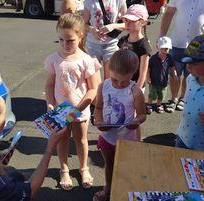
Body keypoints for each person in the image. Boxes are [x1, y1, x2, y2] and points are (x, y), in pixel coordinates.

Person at [44, 13, 100, 190]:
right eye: (61, 40)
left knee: (81, 140)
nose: (65, 44)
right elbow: (49, 85)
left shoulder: (86, 60)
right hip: (61, 111)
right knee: (62, 141)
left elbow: (93, 88)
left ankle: (84, 168)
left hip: (80, 110)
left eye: (70, 40)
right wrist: (50, 104)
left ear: (81, 35)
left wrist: (79, 107)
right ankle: (64, 169)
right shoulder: (54, 59)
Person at [93, 49, 146, 201]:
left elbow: (142, 114)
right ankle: (108, 190)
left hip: (128, 139)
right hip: (107, 137)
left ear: (133, 74)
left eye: (125, 81)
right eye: (115, 80)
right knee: (108, 166)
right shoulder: (103, 86)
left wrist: (136, 122)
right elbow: (98, 108)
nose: (120, 84)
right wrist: (98, 122)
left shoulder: (135, 91)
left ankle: (124, 193)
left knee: (127, 168)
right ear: (109, 69)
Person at [159, 0, 204, 112]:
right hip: (177, 42)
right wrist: (161, 36)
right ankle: (173, 99)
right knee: (174, 73)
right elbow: (169, 13)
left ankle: (184, 98)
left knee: (191, 75)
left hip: (199, 46)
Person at [83, 0, 127, 79]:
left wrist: (113, 26)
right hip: (93, 45)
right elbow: (83, 24)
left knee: (110, 80)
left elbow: (127, 24)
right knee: (93, 79)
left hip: (111, 44)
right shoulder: (89, 1)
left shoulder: (119, 1)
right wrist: (92, 30)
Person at [118, 4, 152, 92]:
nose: (127, 23)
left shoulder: (144, 46)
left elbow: (142, 74)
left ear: (143, 23)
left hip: (135, 86)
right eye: (126, 20)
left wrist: (136, 90)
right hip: (122, 83)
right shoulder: (122, 40)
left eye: (132, 21)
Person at [146, 36, 176, 114]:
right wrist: (148, 77)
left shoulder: (169, 58)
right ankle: (149, 105)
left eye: (166, 49)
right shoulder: (153, 58)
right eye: (162, 48)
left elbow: (172, 66)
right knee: (152, 94)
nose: (164, 50)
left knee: (161, 95)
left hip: (164, 82)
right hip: (154, 81)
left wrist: (174, 73)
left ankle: (158, 105)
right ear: (158, 47)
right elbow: (148, 68)